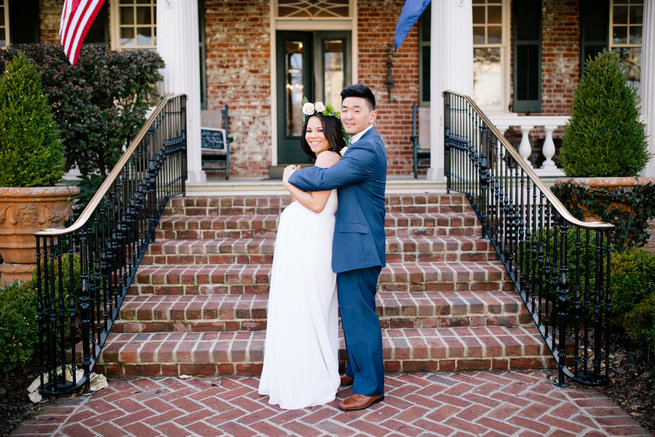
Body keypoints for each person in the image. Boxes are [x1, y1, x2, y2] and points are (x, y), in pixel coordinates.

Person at [284, 84, 387, 411]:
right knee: (353, 315)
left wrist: (291, 176)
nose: (349, 115)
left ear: (372, 114)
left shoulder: (366, 149)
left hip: (359, 245)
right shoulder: (360, 145)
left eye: (357, 109)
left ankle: (370, 387)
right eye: (345, 110)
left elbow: (324, 180)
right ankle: (357, 371)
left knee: (360, 318)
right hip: (355, 243)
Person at [258, 105, 346, 410]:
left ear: (331, 133)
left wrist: (287, 184)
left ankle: (307, 379)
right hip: (306, 246)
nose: (313, 135)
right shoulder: (325, 158)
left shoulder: (328, 157)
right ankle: (302, 374)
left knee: (306, 309)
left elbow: (317, 204)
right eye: (309, 130)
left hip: (312, 248)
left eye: (320, 130)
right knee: (305, 309)